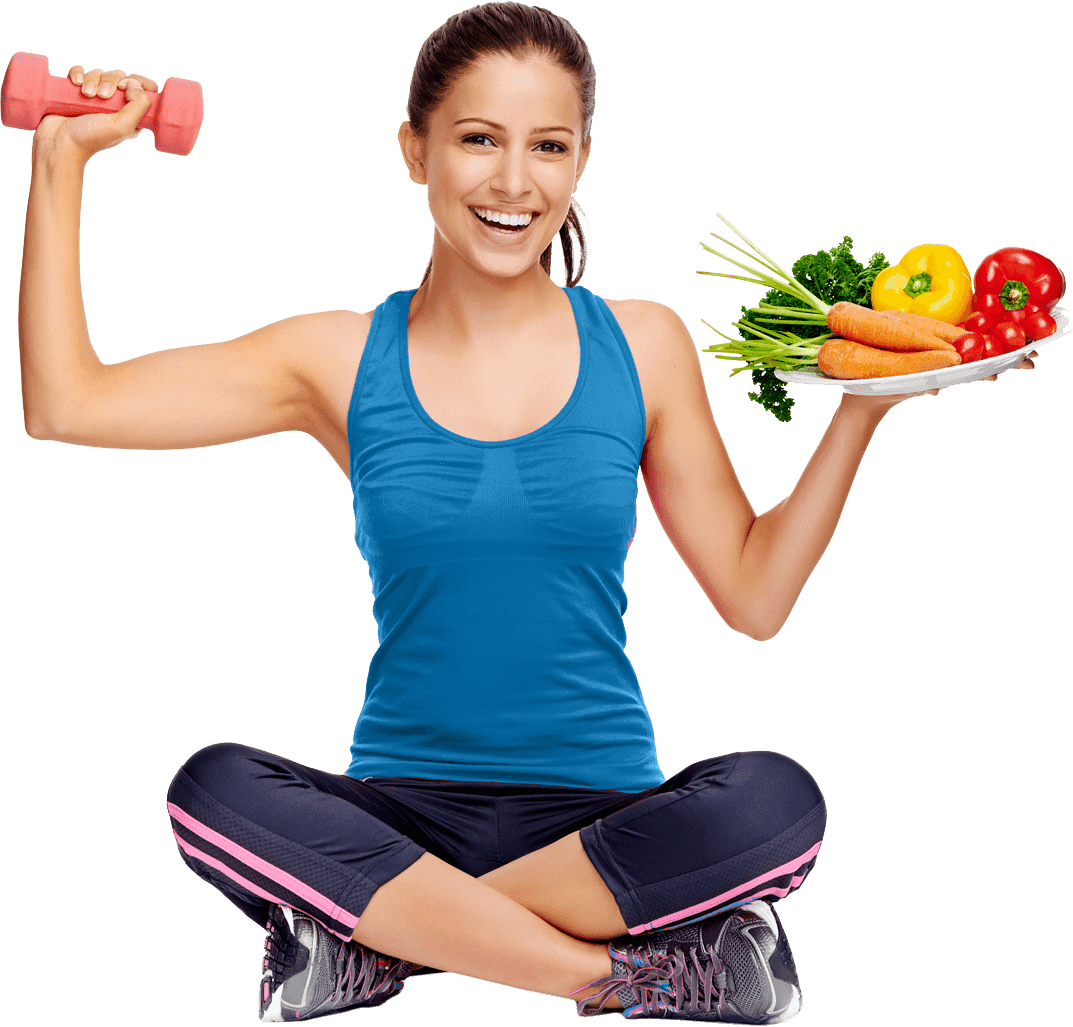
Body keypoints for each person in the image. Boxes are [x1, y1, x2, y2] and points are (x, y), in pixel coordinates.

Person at [18, 3, 1037, 1024]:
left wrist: (861, 411)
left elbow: (753, 596)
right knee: (213, 790)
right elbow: (68, 404)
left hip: (607, 827)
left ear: (581, 158)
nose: (514, 182)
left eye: (547, 146)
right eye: (477, 139)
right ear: (414, 149)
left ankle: (374, 941)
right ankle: (633, 972)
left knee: (776, 802)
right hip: (398, 820)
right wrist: (61, 166)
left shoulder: (642, 346)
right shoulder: (330, 358)